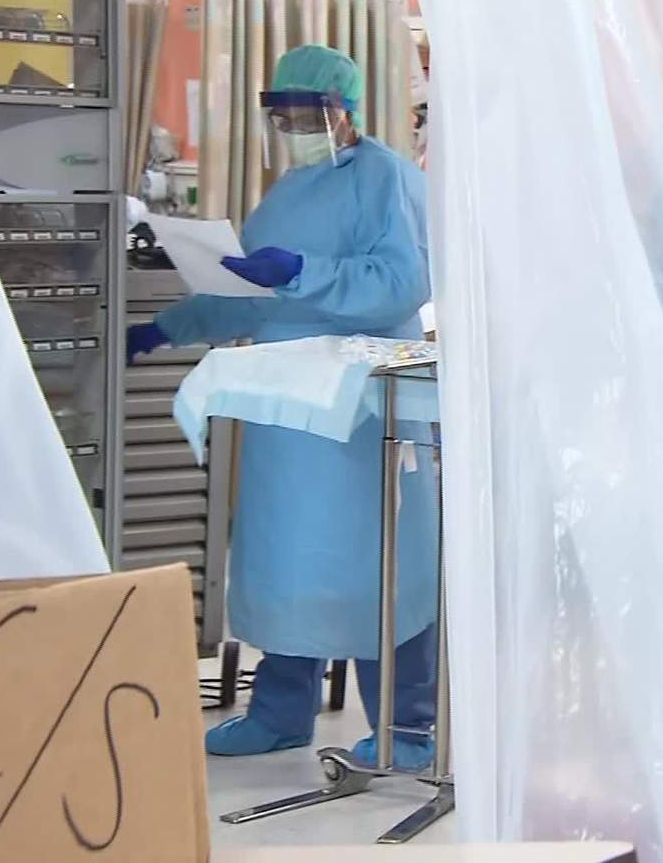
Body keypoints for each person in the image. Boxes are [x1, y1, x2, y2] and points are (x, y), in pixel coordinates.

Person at [128, 45, 439, 769]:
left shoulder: (387, 179)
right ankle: (280, 711)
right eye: (283, 115)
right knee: (288, 561)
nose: (295, 127)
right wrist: (171, 325)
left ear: (344, 111)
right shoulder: (285, 194)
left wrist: (304, 271)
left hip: (361, 410)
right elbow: (248, 293)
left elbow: (401, 282)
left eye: (308, 113)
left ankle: (407, 727)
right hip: (286, 413)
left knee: (381, 565)